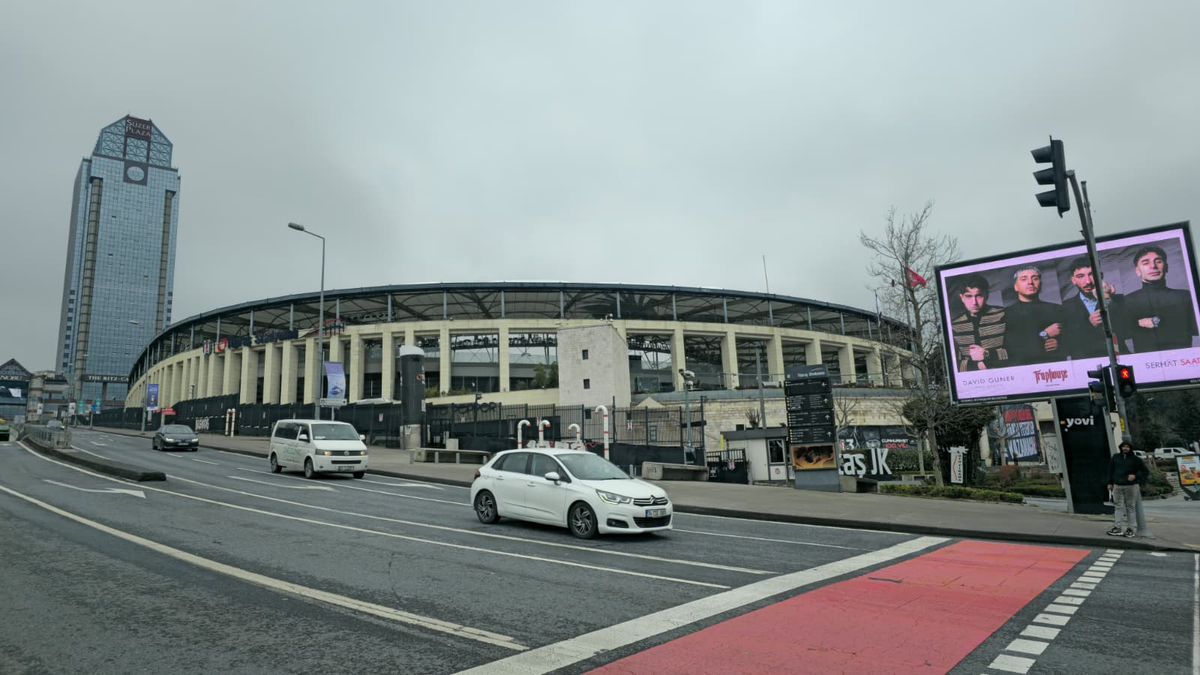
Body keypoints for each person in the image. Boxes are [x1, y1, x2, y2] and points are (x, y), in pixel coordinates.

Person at [1119, 245, 1198, 353]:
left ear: (1166, 267)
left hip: (1182, 361)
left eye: (1158, 261)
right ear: (1138, 271)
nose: (1153, 266)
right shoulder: (1127, 301)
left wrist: (1151, 322)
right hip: (1147, 364)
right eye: (1146, 263)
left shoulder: (1186, 296)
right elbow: (1119, 334)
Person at [1061, 257, 1121, 360]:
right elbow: (1066, 345)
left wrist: (1107, 298)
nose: (1088, 281)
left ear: (1101, 276)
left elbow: (1127, 330)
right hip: (1085, 364)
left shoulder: (1118, 300)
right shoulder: (1065, 307)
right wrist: (1088, 325)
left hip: (1117, 361)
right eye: (1080, 276)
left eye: (1092, 274)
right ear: (1073, 280)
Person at [1003, 265, 1063, 365]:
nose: (1030, 282)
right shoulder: (1005, 314)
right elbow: (1011, 349)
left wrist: (1060, 345)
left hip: (1052, 367)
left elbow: (1072, 341)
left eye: (1035, 278)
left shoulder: (1056, 309)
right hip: (1022, 368)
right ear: (1016, 287)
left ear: (1041, 284)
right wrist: (1044, 335)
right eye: (1024, 279)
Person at [950, 274, 1008, 370]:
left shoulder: (1002, 315)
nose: (974, 302)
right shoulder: (954, 325)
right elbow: (954, 363)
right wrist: (977, 366)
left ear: (986, 295)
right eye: (968, 296)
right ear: (962, 298)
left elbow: (1016, 350)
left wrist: (987, 355)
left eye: (979, 296)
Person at [1106, 441, 1148, 537]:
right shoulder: (1115, 457)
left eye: (1127, 447)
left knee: (1130, 507)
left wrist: (1135, 476)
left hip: (1131, 486)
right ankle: (1117, 527)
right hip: (1117, 485)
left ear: (1130, 448)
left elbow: (1145, 471)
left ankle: (1131, 529)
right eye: (1123, 447)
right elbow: (1110, 470)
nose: (1125, 448)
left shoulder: (1136, 459)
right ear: (1120, 448)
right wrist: (1109, 482)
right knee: (1118, 506)